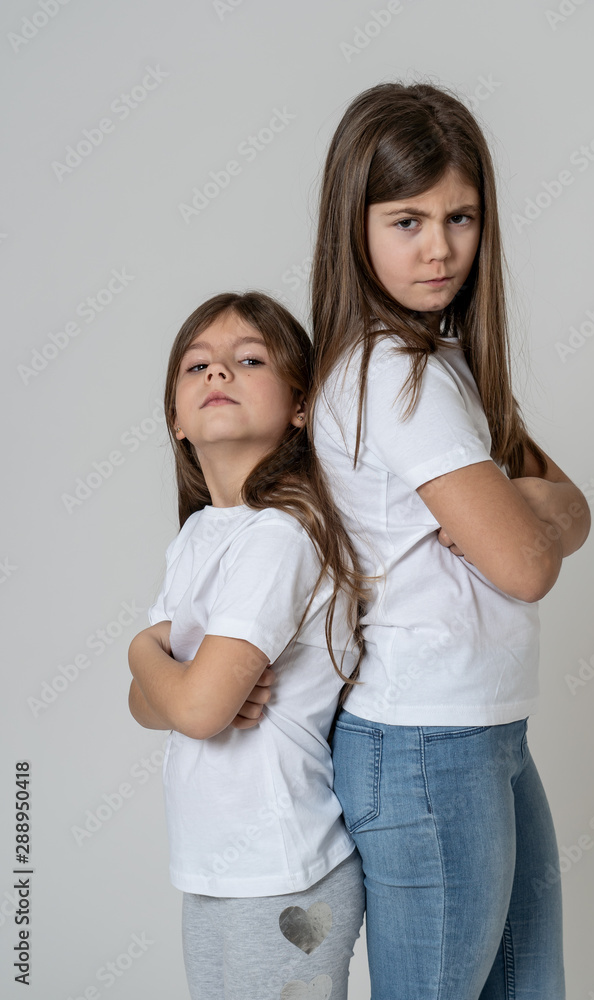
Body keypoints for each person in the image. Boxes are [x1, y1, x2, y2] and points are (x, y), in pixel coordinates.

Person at [310, 81, 592, 999]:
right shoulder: (399, 374)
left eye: (460, 215)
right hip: (427, 739)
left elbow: (571, 507)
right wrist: (521, 519)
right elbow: (527, 560)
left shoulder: (447, 363)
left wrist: (522, 514)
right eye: (406, 219)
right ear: (354, 225)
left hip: (485, 730)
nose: (440, 247)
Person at [127, 291, 366, 1000]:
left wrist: (144, 649)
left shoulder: (279, 534)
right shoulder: (203, 534)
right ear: (175, 418)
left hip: (283, 866)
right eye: (197, 365)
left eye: (249, 360)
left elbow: (192, 709)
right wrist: (175, 681)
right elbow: (149, 708)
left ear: (299, 404)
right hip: (217, 866)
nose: (218, 374)